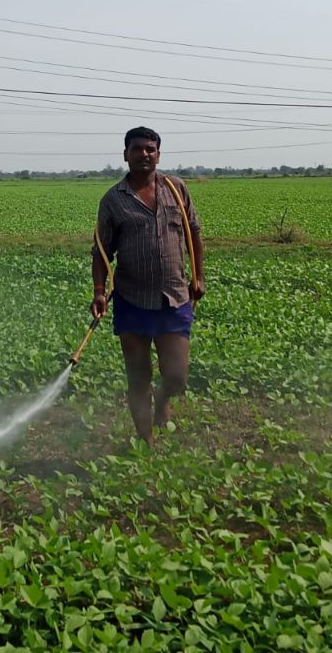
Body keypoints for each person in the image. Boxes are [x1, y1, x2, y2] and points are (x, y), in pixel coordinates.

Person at [91, 127, 205, 443]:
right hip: (131, 299)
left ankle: (164, 400)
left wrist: (199, 275)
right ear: (125, 155)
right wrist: (99, 292)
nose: (145, 154)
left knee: (177, 376)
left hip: (175, 296)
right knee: (138, 376)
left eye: (151, 149)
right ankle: (146, 442)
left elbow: (194, 233)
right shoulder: (113, 200)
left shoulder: (176, 188)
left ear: (158, 154)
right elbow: (101, 251)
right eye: (138, 149)